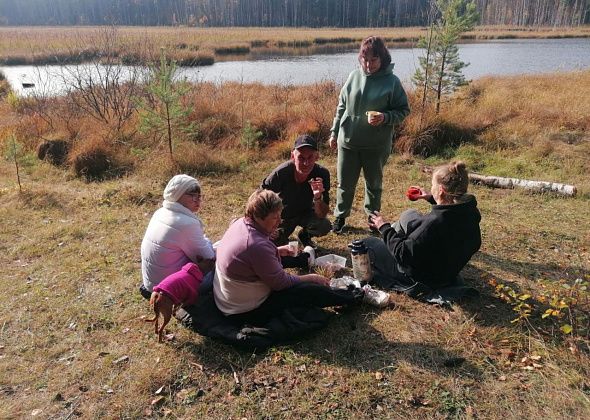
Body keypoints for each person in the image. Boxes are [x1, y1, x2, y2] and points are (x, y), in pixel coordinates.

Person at [213, 189, 363, 326]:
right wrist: (310, 278)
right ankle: (350, 297)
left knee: (281, 261)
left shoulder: (241, 223)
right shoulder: (255, 245)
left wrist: (276, 251)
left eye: (280, 215)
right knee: (307, 290)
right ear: (259, 216)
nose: (280, 221)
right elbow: (280, 283)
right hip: (245, 310)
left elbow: (250, 258)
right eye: (274, 218)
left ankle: (305, 260)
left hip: (228, 298)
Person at [329, 35, 410, 234]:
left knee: (374, 185)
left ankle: (374, 220)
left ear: (382, 59)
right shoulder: (353, 76)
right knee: (345, 183)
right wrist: (334, 131)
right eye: (365, 59)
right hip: (348, 141)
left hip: (376, 145)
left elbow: (403, 110)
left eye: (373, 60)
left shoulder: (392, 82)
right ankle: (340, 217)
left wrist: (384, 117)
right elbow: (342, 106)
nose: (368, 64)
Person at [366, 161, 481, 296]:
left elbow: (403, 254)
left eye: (433, 185)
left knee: (367, 243)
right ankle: (396, 237)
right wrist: (431, 198)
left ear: (441, 190)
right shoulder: (469, 212)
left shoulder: (433, 224)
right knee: (408, 214)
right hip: (446, 266)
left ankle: (392, 240)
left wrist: (384, 227)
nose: (431, 187)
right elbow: (449, 210)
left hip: (423, 277)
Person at [140, 174, 215, 300]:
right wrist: (208, 241)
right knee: (221, 269)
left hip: (151, 284)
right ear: (177, 195)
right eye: (192, 195)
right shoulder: (186, 224)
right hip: (169, 291)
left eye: (199, 195)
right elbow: (209, 257)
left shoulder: (160, 212)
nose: (197, 200)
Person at [261, 134, 331, 248]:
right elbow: (259, 200)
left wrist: (317, 198)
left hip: (306, 212)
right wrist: (267, 226)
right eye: (301, 158)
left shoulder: (322, 174)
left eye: (310, 158)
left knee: (324, 226)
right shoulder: (281, 173)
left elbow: (322, 214)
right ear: (292, 156)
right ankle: (282, 236)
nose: (306, 163)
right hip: (283, 215)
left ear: (317, 157)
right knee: (271, 243)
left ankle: (304, 236)